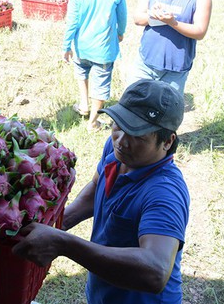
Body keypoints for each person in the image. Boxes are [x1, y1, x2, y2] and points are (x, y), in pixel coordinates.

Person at [13, 79, 190, 304]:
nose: (121, 141)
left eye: (137, 135)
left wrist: (64, 243)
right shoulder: (118, 151)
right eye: (119, 125)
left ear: (167, 142)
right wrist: (59, 223)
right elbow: (98, 187)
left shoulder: (164, 193)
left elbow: (156, 271)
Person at [127, 0, 212, 96]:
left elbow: (200, 32)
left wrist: (173, 23)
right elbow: (137, 18)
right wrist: (153, 16)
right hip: (146, 62)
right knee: (133, 106)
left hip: (176, 69)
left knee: (165, 114)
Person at [63, 0, 127, 131]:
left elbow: (72, 21)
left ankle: (84, 104)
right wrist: (120, 32)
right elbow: (122, 16)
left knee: (81, 72)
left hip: (81, 46)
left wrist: (66, 45)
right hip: (104, 48)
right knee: (101, 82)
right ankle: (93, 121)